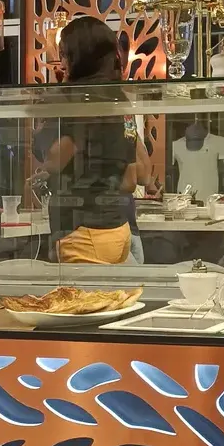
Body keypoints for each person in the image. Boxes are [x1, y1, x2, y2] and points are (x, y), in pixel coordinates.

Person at [34, 16, 157, 264]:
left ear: (77, 57)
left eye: (64, 54)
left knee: (85, 292)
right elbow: (133, 178)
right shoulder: (120, 102)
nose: (62, 62)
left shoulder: (68, 100)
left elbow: (55, 161)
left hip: (83, 231)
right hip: (118, 228)